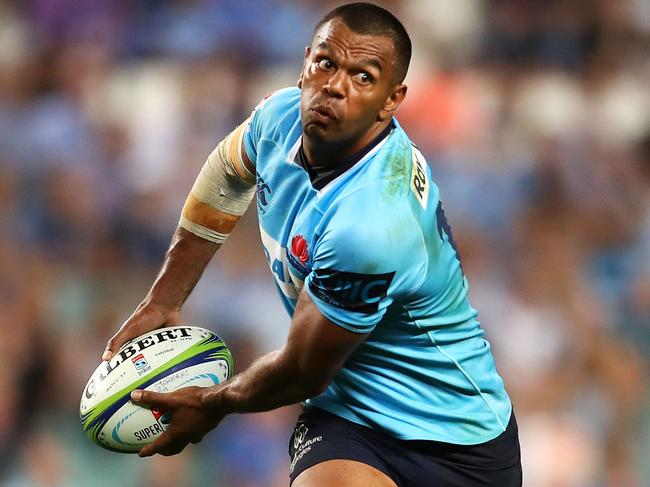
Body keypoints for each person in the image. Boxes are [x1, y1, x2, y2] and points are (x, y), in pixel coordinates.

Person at [102, 3, 522, 486]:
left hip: (458, 441)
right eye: (326, 63)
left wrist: (211, 403)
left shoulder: (372, 223)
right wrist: (165, 298)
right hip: (348, 419)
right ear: (305, 62)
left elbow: (303, 369)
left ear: (393, 99)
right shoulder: (278, 117)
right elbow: (226, 175)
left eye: (363, 76)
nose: (336, 85)